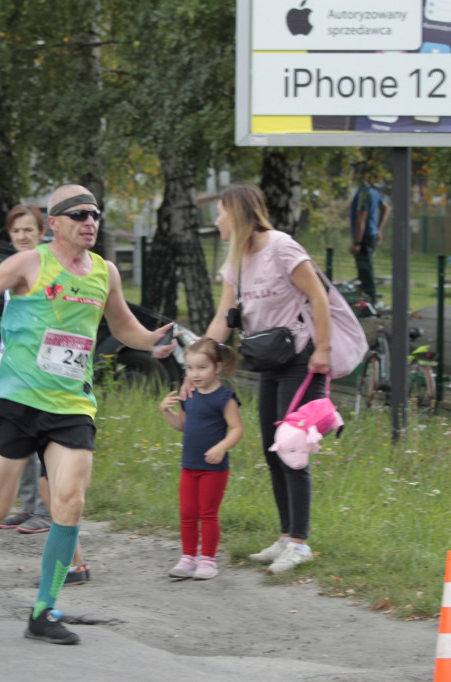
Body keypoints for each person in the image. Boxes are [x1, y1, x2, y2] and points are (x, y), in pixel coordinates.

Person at [0, 184, 175, 645]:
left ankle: (44, 610)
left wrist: (150, 340)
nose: (90, 222)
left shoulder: (105, 272)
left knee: (71, 500)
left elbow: (121, 324)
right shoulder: (30, 263)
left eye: (96, 215)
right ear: (54, 223)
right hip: (19, 401)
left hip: (72, 407)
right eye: (80, 214)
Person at [199, 184, 332, 575]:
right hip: (268, 361)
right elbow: (225, 317)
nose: (216, 220)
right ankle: (287, 535)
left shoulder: (281, 247)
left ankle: (301, 543)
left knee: (292, 449)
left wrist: (323, 350)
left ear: (237, 213)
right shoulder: (235, 261)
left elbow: (319, 297)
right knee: (273, 451)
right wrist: (200, 362)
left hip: (301, 360)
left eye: (220, 211)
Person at [159, 339, 243, 581]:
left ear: (217, 367)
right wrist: (166, 411)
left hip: (214, 469)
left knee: (207, 513)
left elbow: (237, 429)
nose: (194, 374)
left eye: (202, 368)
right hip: (189, 466)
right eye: (190, 368)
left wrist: (222, 446)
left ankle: (207, 559)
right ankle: (188, 558)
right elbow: (182, 425)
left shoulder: (225, 398)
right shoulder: (189, 395)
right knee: (187, 513)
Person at [0, 204, 53, 535]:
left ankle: (45, 511)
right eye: (16, 231)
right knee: (19, 441)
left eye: (28, 230)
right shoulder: (11, 268)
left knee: (43, 441)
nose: (21, 236)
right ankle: (29, 506)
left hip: (41, 370)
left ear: (41, 232)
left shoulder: (48, 267)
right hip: (12, 368)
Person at [349, 164, 390, 305]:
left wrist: (357, 243)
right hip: (371, 234)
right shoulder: (373, 191)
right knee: (365, 271)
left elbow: (361, 218)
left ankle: (369, 303)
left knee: (366, 272)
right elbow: (385, 208)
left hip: (364, 237)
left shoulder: (363, 193)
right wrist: (379, 229)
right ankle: (365, 302)